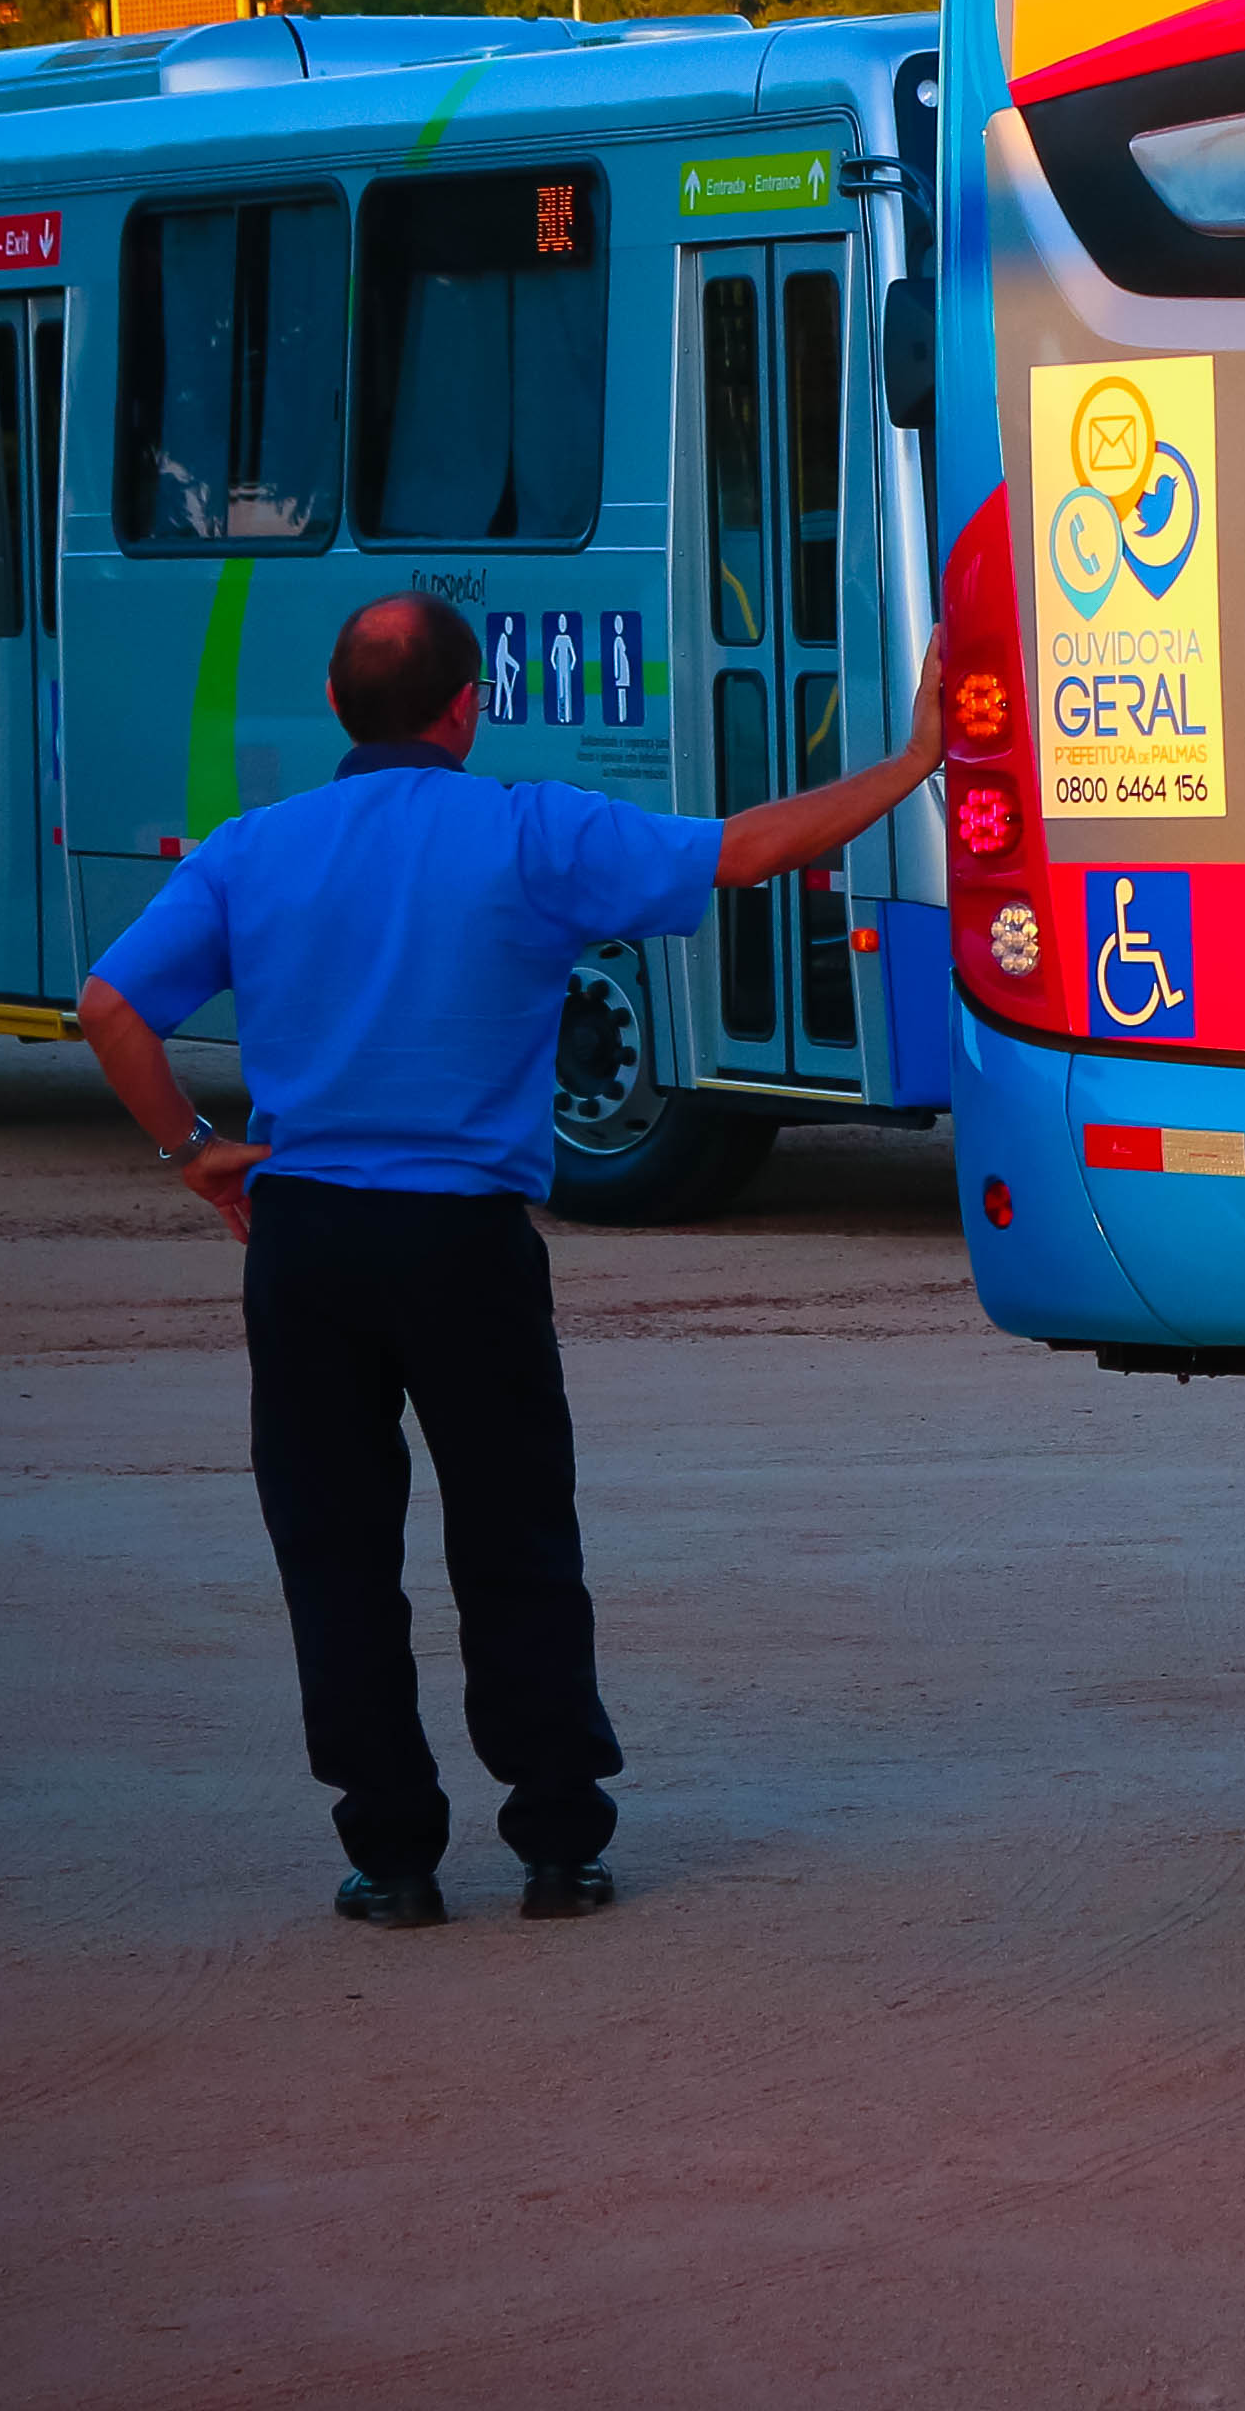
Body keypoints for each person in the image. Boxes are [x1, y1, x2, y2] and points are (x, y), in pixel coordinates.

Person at [79, 591, 946, 1928]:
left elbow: (109, 1003)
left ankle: (393, 1855)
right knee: (517, 1540)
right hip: (467, 1244)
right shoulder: (533, 833)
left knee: (336, 1554)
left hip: (306, 1241)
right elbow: (747, 851)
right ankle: (556, 1845)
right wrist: (911, 762)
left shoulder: (254, 852)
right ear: (466, 707)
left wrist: (191, 1148)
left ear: (334, 708)